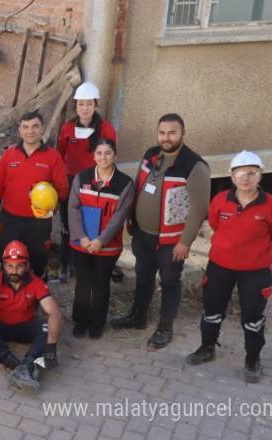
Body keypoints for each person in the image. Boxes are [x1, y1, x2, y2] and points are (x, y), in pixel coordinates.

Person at [185, 151, 272, 383]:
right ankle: (207, 348)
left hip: (255, 271)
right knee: (211, 311)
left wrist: (254, 254)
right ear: (232, 177)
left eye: (252, 173)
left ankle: (252, 359)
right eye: (240, 173)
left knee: (252, 318)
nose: (246, 178)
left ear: (260, 176)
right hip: (220, 267)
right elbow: (214, 223)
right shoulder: (221, 200)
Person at [111, 113, 211, 350]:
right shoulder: (151, 154)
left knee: (169, 282)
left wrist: (185, 242)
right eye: (162, 133)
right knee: (143, 275)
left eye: (172, 133)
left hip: (171, 241)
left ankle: (165, 328)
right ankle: (139, 316)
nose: (166, 138)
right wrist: (132, 218)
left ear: (183, 134)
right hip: (143, 234)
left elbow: (199, 209)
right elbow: (138, 185)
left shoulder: (194, 166)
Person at [0, 240, 62, 395]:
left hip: (23, 327)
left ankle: (26, 366)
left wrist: (52, 344)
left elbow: (54, 312)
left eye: (19, 266)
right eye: (10, 266)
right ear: (4, 266)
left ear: (26, 266)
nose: (14, 270)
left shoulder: (36, 282)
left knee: (49, 325)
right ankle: (13, 364)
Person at [67, 138, 134, 339]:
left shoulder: (125, 183)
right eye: (99, 153)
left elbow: (119, 217)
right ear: (94, 155)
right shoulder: (82, 178)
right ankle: (80, 321)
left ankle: (97, 323)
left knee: (101, 283)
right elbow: (73, 209)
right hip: (82, 244)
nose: (103, 157)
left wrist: (100, 241)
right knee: (83, 282)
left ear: (115, 156)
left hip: (107, 246)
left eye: (108, 153)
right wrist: (83, 237)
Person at [0, 112, 69, 279]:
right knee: (6, 260)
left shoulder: (53, 157)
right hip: (10, 219)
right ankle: (9, 296)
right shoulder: (9, 155)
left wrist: (52, 211)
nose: (30, 131)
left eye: (35, 126)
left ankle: (37, 295)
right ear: (20, 130)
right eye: (25, 127)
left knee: (38, 262)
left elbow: (62, 189)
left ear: (42, 129)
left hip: (38, 221)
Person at [56, 83, 118, 282]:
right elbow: (60, 156)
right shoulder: (67, 129)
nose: (85, 108)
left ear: (95, 105)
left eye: (89, 104)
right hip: (71, 183)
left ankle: (89, 263)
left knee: (93, 225)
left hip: (95, 184)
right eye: (81, 104)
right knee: (68, 225)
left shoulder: (106, 129)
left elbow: (110, 157)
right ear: (75, 105)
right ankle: (65, 264)